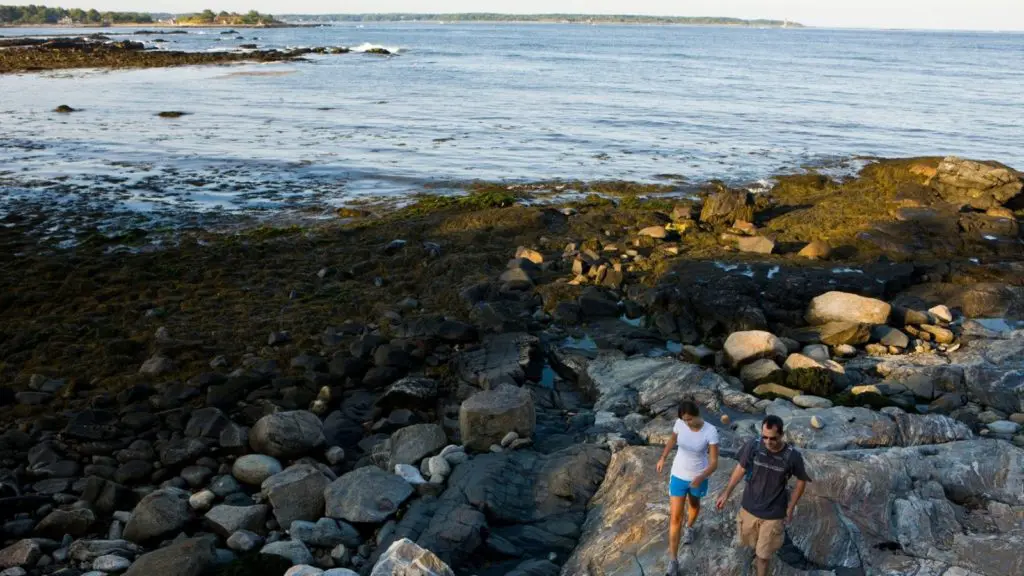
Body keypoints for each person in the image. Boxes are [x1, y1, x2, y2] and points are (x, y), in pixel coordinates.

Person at [715, 415, 811, 576]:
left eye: (772, 438)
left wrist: (791, 506)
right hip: (749, 508)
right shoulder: (753, 446)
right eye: (764, 437)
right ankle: (757, 552)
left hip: (773, 514)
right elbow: (741, 468)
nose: (767, 442)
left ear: (781, 435)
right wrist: (727, 493)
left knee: (763, 556)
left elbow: (802, 481)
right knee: (749, 543)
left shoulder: (792, 456)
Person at [656, 399, 719, 576]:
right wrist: (663, 457)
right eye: (684, 420)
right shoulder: (680, 424)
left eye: (690, 419)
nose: (687, 423)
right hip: (678, 475)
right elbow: (672, 440)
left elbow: (714, 463)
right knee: (675, 517)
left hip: (698, 476)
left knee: (694, 505)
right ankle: (673, 561)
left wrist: (701, 477)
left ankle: (690, 527)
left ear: (698, 414)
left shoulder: (710, 431)